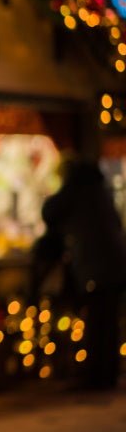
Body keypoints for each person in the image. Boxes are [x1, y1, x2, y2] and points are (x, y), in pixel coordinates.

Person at [41, 158, 126, 389]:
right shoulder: (101, 192)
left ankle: (97, 376)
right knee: (108, 324)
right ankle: (107, 374)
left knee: (97, 323)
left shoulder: (75, 192)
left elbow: (49, 211)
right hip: (115, 267)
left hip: (95, 268)